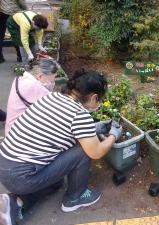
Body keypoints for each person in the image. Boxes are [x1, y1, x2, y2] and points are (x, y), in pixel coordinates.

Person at [0, 69, 122, 225]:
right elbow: (96, 152)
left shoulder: (51, 97)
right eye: (99, 100)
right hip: (22, 177)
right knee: (82, 151)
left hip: (5, 165)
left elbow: (58, 127)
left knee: (57, 183)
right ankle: (75, 197)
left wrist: (96, 128)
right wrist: (114, 135)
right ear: (94, 97)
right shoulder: (79, 115)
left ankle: (13, 203)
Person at [5, 58, 58, 136]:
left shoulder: (21, 77)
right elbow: (54, 106)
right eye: (54, 77)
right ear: (40, 76)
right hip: (19, 134)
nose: (54, 80)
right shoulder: (33, 86)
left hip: (12, 127)